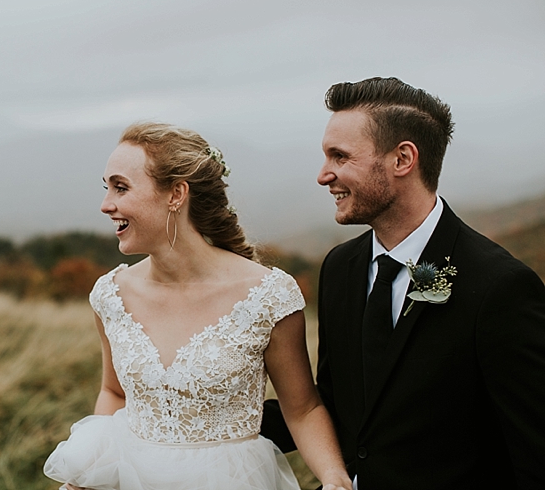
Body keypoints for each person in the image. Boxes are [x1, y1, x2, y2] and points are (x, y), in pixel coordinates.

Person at [263, 77, 545, 489]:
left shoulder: (500, 287)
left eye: (340, 157)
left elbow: (533, 451)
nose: (324, 175)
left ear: (403, 159)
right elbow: (336, 405)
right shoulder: (340, 268)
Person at [44, 122, 352, 490]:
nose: (106, 204)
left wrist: (335, 479)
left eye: (121, 187)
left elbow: (302, 409)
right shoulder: (111, 295)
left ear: (176, 194)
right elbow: (114, 392)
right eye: (107, 188)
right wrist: (87, 475)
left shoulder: (269, 295)